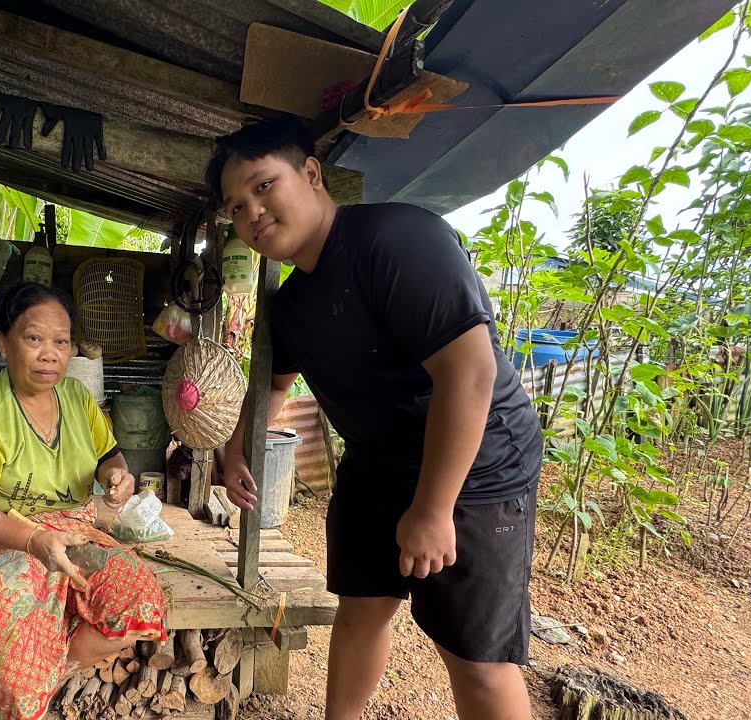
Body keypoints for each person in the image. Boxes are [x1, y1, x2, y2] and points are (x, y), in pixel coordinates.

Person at [208, 117, 542, 720]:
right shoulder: (291, 307)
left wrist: (434, 509)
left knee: (475, 656)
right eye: (236, 207)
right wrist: (237, 449)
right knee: (361, 604)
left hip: (478, 463)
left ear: (311, 174)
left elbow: (469, 375)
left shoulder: (398, 239)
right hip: (377, 463)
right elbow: (273, 388)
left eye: (262, 187)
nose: (251, 212)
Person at [0, 281, 167, 720]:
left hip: (73, 531)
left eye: (61, 341)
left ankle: (49, 677)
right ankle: (26, 691)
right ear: (3, 343)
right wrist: (34, 540)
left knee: (139, 600)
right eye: (34, 338)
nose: (50, 353)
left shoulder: (78, 398)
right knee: (15, 679)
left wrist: (116, 476)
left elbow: (108, 457)